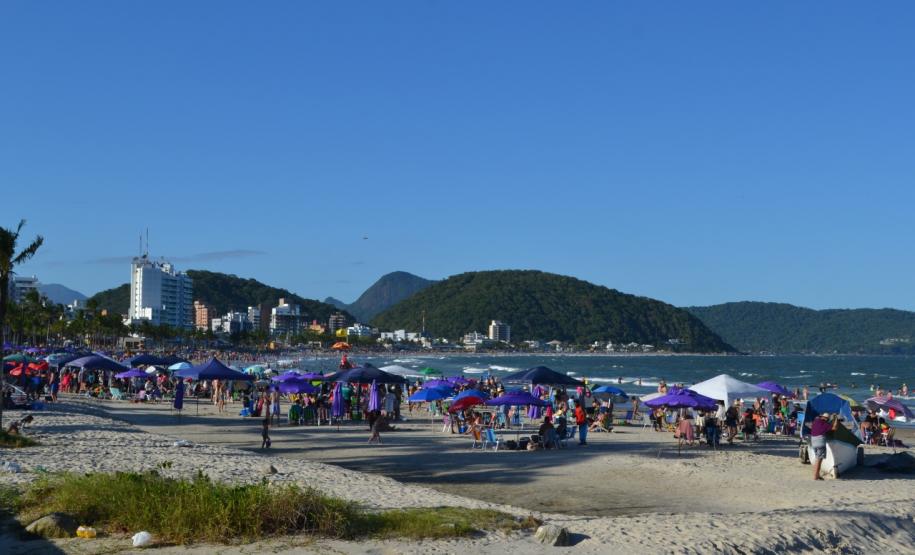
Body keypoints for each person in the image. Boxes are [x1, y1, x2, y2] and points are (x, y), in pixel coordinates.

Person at [810, 412, 837, 480]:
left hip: (813, 441)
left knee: (817, 458)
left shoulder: (815, 421)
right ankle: (815, 476)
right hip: (820, 442)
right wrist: (836, 419)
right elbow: (834, 428)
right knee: (819, 460)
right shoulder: (825, 424)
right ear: (826, 418)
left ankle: (816, 475)